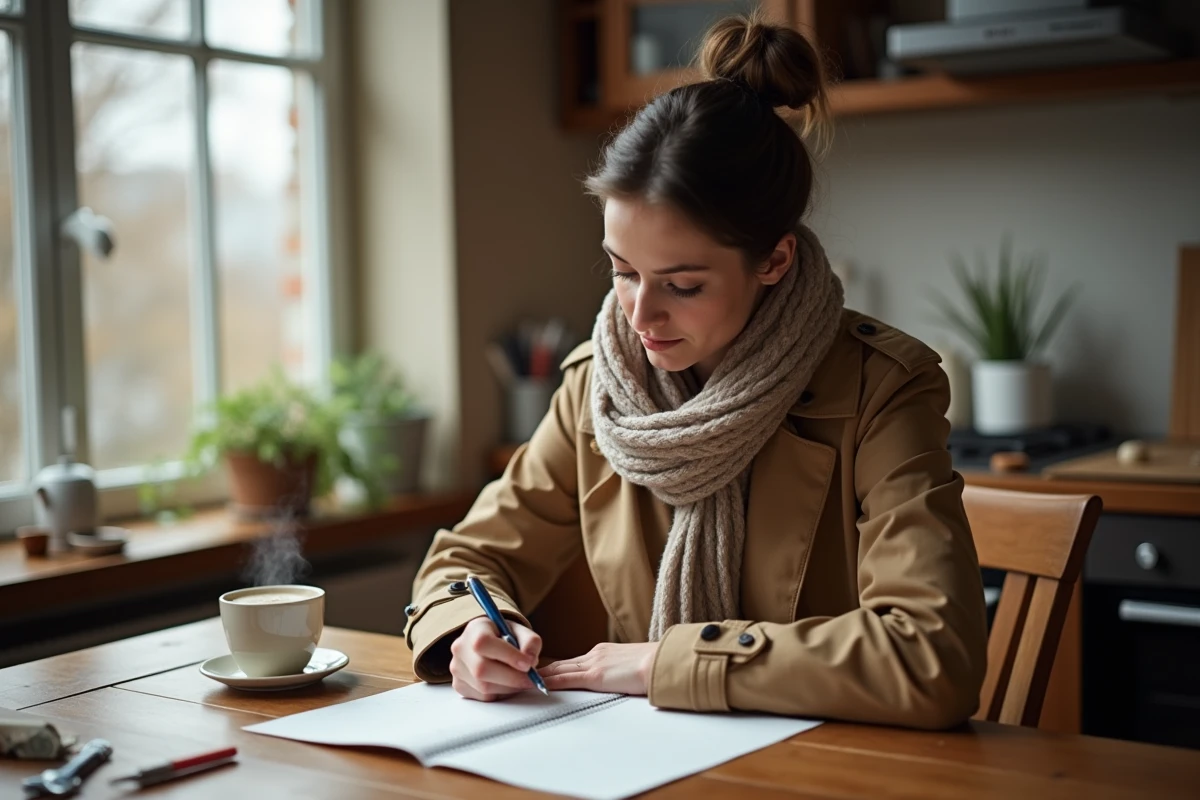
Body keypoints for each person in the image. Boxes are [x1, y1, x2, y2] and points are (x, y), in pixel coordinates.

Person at [403, 13, 988, 730]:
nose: (640, 315)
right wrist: (470, 632)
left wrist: (663, 664)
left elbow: (930, 656)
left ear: (773, 261)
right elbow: (467, 560)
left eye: (682, 285)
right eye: (622, 272)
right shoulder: (599, 387)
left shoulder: (881, 389)